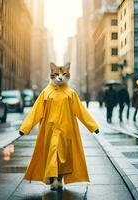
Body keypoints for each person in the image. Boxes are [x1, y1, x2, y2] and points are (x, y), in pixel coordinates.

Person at [18, 62, 99, 190]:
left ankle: (59, 179)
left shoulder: (70, 93)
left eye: (64, 74)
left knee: (63, 156)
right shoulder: (46, 92)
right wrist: (25, 128)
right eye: (56, 74)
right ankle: (52, 178)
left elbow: (81, 110)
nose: (60, 77)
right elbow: (35, 111)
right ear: (51, 74)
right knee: (51, 154)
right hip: (48, 130)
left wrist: (93, 126)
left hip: (66, 130)